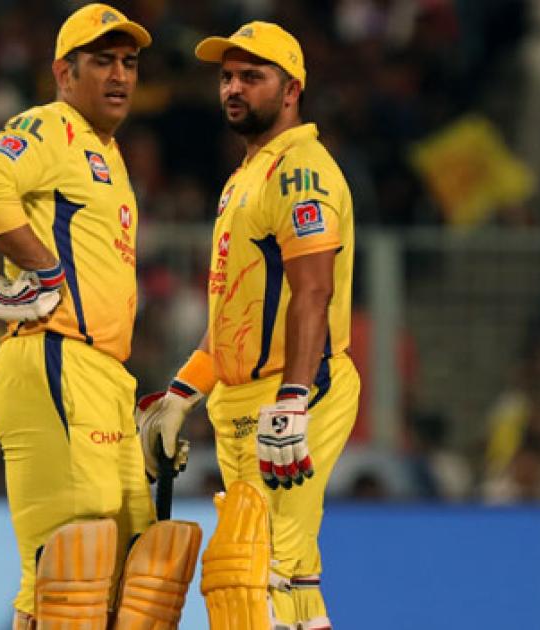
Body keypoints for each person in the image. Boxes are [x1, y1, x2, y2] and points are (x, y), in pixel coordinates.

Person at [0, 5, 200, 629]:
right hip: (55, 356)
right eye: (102, 61)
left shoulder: (108, 154)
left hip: (101, 374)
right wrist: (45, 271)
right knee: (72, 573)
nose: (120, 75)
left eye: (129, 63)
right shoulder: (51, 126)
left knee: (135, 578)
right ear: (64, 73)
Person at [137, 21, 359, 630]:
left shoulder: (301, 172)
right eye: (228, 77)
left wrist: (293, 399)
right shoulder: (246, 176)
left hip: (292, 391)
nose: (233, 88)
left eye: (252, 77)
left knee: (255, 573)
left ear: (291, 91)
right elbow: (231, 314)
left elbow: (313, 291)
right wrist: (181, 395)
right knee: (288, 578)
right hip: (240, 404)